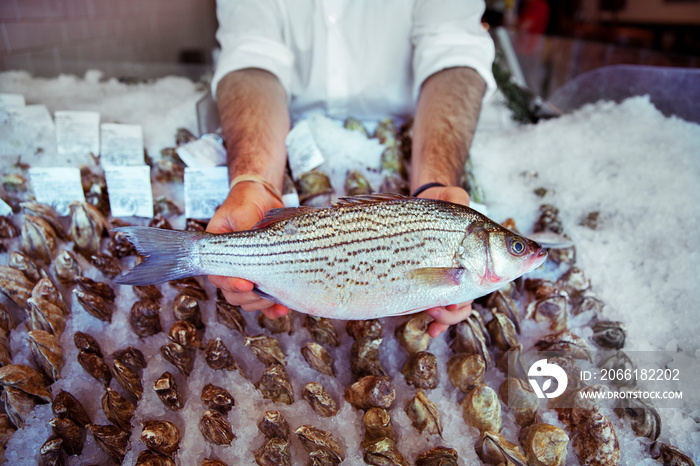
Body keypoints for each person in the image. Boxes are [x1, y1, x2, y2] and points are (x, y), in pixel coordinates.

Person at [207, 0, 496, 337]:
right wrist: (254, 178)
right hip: (279, 133)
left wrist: (434, 187)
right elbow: (251, 54)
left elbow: (454, 49)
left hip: (418, 136)